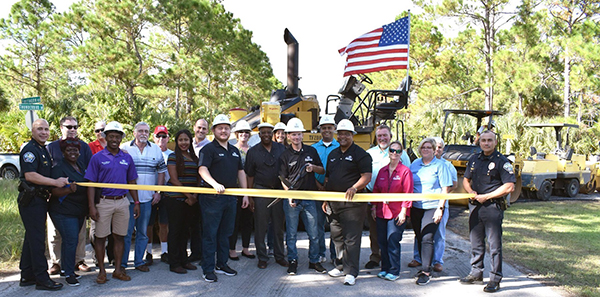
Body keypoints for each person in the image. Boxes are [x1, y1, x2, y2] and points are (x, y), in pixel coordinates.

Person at [460, 130, 515, 293]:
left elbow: (509, 186)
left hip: (492, 207)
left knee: (494, 244)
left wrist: (487, 196)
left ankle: (495, 278)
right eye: (483, 140)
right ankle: (476, 273)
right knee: (476, 241)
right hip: (475, 206)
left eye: (489, 140)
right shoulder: (474, 159)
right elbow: (466, 179)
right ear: (479, 142)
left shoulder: (501, 161)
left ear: (495, 142)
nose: (486, 143)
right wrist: (471, 192)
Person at [85, 121, 140, 284]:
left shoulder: (126, 157)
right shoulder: (97, 158)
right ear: (105, 137)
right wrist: (91, 206)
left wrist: (136, 202)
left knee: (120, 237)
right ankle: (102, 271)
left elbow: (132, 181)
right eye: (111, 136)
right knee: (101, 238)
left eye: (117, 136)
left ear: (121, 137)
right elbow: (90, 185)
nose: (114, 139)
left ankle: (118, 270)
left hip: (122, 202)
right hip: (104, 203)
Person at [198, 114, 250, 283]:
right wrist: (214, 184)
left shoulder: (235, 151)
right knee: (210, 234)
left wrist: (245, 193)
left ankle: (222, 264)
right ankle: (208, 269)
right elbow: (202, 169)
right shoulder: (208, 149)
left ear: (230, 131)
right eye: (220, 128)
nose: (223, 130)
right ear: (214, 130)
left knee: (226, 233)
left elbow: (240, 172)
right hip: (212, 198)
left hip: (230, 198)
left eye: (226, 128)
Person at [18, 119, 68, 291]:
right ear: (32, 131)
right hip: (31, 200)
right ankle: (42, 279)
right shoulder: (30, 150)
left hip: (39, 199)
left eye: (46, 129)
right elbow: (30, 175)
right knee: (38, 240)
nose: (44, 132)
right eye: (40, 129)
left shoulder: (42, 150)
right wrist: (55, 182)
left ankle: (27, 274)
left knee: (31, 238)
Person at [323, 119, 372, 286]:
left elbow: (366, 176)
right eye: (341, 133)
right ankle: (339, 265)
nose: (343, 136)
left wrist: (354, 187)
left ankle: (351, 271)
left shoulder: (361, 154)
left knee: (351, 238)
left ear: (352, 135)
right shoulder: (333, 154)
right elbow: (328, 178)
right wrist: (325, 198)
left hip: (353, 205)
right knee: (336, 236)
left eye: (347, 134)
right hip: (334, 203)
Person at [279, 118, 326, 275]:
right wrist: (289, 196)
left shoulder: (311, 151)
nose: (296, 137)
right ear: (289, 136)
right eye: (293, 134)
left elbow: (322, 170)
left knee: (314, 233)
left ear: (302, 135)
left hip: (309, 197)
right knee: (291, 234)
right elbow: (282, 178)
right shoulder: (285, 155)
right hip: (293, 199)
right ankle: (293, 261)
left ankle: (314, 261)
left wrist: (313, 168)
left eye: (299, 134)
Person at [46, 116, 93, 275]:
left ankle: (78, 260)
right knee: (55, 234)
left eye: (75, 126)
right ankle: (57, 263)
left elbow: (88, 170)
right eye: (69, 126)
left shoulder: (84, 147)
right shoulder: (51, 147)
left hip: (78, 201)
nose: (72, 129)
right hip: (56, 199)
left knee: (78, 235)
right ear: (61, 127)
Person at [120, 122, 167, 272]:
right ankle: (122, 263)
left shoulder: (155, 150)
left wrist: (158, 192)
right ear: (134, 133)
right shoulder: (125, 149)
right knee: (126, 233)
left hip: (147, 199)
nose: (143, 134)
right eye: (140, 131)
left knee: (143, 232)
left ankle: (139, 261)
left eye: (146, 131)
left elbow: (161, 171)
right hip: (127, 200)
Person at [364, 125, 412, 269]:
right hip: (374, 195)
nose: (382, 138)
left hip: (395, 201)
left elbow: (408, 176)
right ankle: (375, 256)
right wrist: (373, 203)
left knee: (392, 235)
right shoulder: (369, 153)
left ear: (390, 136)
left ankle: (391, 263)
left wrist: (404, 208)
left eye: (385, 135)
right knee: (375, 231)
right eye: (379, 136)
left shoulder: (400, 154)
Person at [409, 137, 457, 272]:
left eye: (429, 147)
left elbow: (445, 188)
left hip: (433, 206)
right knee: (419, 235)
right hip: (417, 206)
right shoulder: (415, 164)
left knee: (428, 237)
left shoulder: (441, 166)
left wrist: (440, 208)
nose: (426, 150)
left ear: (434, 150)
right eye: (423, 147)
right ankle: (420, 259)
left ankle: (427, 268)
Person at [244, 122, 288, 269]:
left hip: (278, 192)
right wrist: (250, 196)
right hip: (260, 191)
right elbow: (249, 175)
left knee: (278, 227)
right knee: (260, 227)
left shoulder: (281, 149)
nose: (267, 135)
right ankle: (262, 257)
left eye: (269, 132)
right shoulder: (253, 152)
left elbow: (286, 172)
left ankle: (280, 256)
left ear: (273, 133)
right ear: (259, 134)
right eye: (263, 132)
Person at [49, 137, 89, 286]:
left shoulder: (81, 165)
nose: (73, 152)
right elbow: (53, 191)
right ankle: (70, 275)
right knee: (71, 240)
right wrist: (67, 190)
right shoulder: (58, 168)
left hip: (78, 211)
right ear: (63, 152)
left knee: (71, 241)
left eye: (75, 150)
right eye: (69, 150)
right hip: (63, 211)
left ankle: (66, 269)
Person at [372, 141, 413, 281]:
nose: (394, 153)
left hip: (396, 213)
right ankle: (385, 268)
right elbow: (376, 190)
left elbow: (408, 193)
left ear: (401, 153)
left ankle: (394, 271)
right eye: (392, 150)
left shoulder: (405, 171)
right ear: (388, 152)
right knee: (382, 242)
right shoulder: (382, 171)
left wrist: (404, 211)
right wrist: (373, 206)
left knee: (393, 241)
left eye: (397, 151)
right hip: (382, 212)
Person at [164, 129, 200, 274]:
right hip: (175, 199)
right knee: (175, 231)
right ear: (176, 142)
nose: (184, 143)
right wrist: (189, 196)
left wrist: (194, 196)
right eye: (180, 140)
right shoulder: (173, 157)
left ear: (190, 141)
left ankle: (184, 260)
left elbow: (198, 178)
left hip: (190, 199)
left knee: (185, 231)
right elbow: (173, 179)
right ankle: (174, 263)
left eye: (186, 140)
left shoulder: (194, 157)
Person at [311, 115, 339, 263]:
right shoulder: (313, 148)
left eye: (329, 127)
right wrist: (319, 186)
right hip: (317, 191)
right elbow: (310, 171)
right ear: (320, 130)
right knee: (317, 226)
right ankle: (321, 252)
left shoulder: (340, 147)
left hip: (334, 192)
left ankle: (335, 255)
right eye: (324, 128)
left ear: (334, 129)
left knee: (335, 226)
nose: (327, 130)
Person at [146, 125, 172, 264]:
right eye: (158, 136)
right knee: (148, 224)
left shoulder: (171, 154)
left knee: (164, 223)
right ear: (153, 137)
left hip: (166, 193)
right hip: (149, 193)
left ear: (168, 138)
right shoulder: (148, 152)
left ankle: (164, 251)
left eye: (164, 136)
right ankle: (148, 252)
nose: (161, 139)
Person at [229, 120, 255, 261]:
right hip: (235, 190)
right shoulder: (232, 149)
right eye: (241, 132)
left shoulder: (253, 150)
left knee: (247, 221)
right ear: (237, 134)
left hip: (250, 191)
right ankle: (232, 249)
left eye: (246, 132)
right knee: (234, 221)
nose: (244, 134)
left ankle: (246, 248)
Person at [189, 118, 209, 262]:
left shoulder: (210, 147)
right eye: (199, 127)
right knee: (193, 224)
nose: (201, 131)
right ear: (194, 127)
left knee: (206, 224)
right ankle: (195, 252)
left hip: (205, 190)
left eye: (204, 128)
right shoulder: (187, 145)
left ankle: (205, 254)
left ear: (208, 131)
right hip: (189, 190)